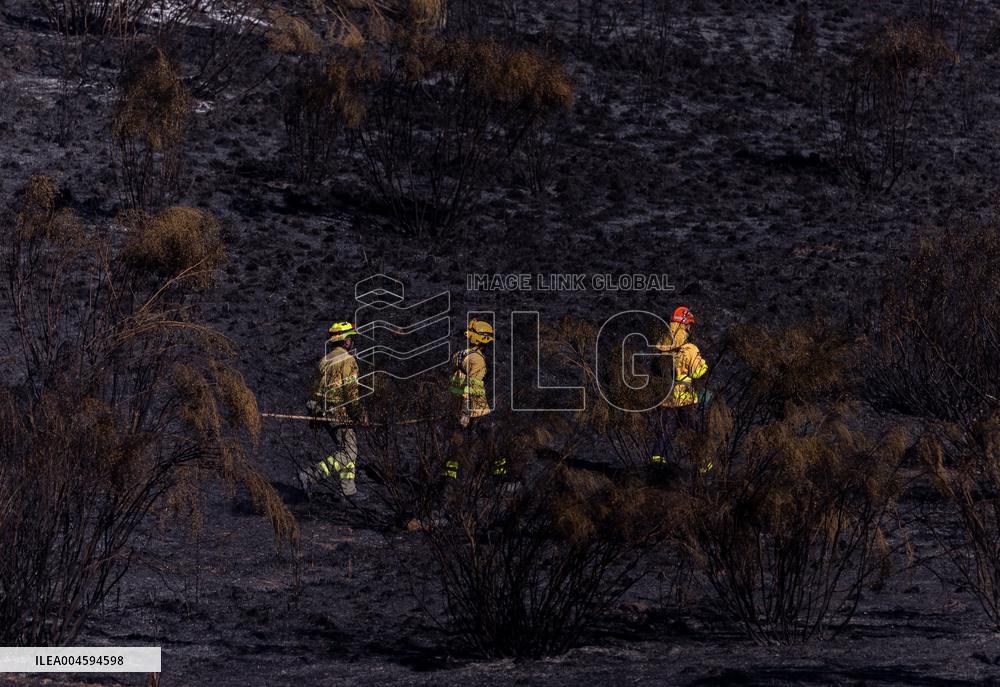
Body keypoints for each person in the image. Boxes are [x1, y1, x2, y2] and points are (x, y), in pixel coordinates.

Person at [300, 321, 364, 498]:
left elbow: (314, 390)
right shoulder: (348, 361)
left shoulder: (324, 361)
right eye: (352, 339)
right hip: (340, 413)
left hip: (323, 411)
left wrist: (314, 411)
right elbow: (351, 392)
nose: (353, 343)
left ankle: (348, 490)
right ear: (346, 342)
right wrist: (358, 413)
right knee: (348, 452)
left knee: (347, 448)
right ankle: (312, 474)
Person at [442, 319, 507, 481]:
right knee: (492, 439)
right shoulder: (478, 360)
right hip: (474, 410)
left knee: (456, 443)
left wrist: (456, 407)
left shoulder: (459, 355)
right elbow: (474, 387)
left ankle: (450, 476)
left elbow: (455, 384)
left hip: (457, 406)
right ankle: (498, 476)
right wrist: (469, 412)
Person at [650, 306, 710, 471]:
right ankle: (703, 467)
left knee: (665, 433)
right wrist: (704, 364)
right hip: (686, 401)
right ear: (684, 326)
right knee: (692, 434)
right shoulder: (690, 349)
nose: (690, 329)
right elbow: (698, 372)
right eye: (689, 325)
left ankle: (657, 464)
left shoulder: (661, 348)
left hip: (666, 400)